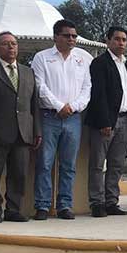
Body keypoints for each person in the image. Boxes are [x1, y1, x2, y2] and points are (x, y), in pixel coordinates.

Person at [0, 32, 41, 223]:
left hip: (23, 133)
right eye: (6, 44)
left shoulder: (28, 72)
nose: (11, 47)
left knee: (19, 174)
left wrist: (37, 131)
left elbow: (33, 104)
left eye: (14, 44)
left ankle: (14, 209)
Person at [30, 19, 92, 220]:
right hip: (49, 116)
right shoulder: (42, 58)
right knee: (45, 163)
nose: (72, 39)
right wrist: (59, 106)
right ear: (56, 37)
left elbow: (87, 88)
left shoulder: (83, 59)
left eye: (74, 36)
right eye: (67, 35)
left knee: (68, 165)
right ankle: (42, 205)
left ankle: (65, 205)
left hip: (73, 118)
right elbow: (39, 86)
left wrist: (72, 107)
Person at [85, 26, 127, 218]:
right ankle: (97, 203)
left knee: (116, 164)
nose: (121, 43)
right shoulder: (99, 63)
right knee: (98, 163)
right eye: (117, 39)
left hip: (124, 120)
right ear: (108, 41)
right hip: (105, 121)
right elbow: (98, 94)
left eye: (123, 40)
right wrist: (105, 121)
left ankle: (111, 201)